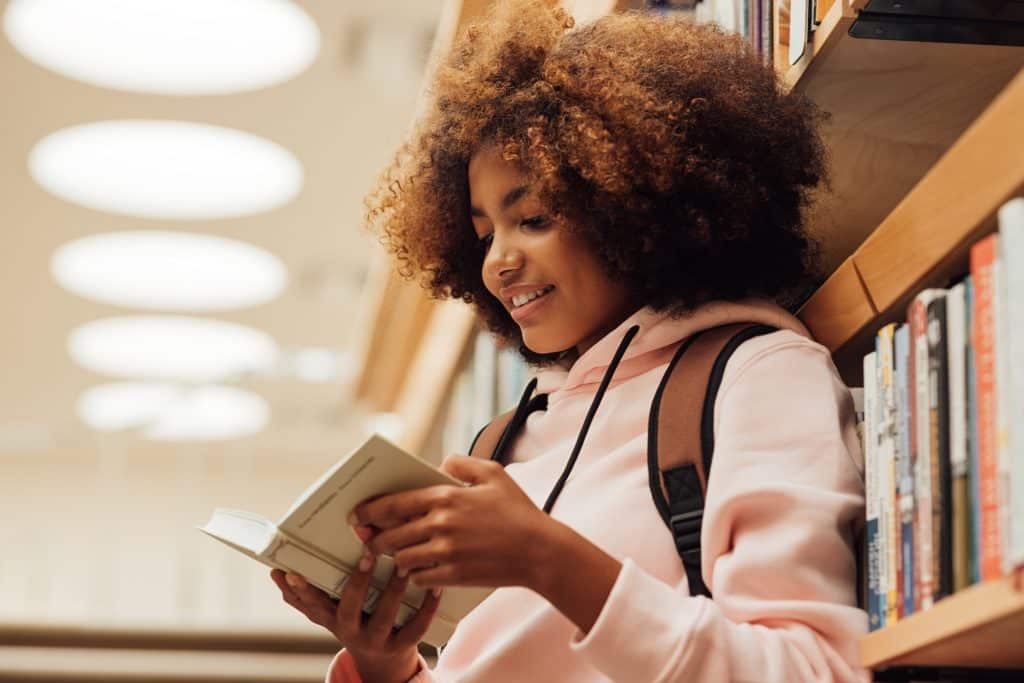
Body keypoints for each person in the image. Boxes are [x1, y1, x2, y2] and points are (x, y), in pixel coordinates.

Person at [270, 1, 869, 681]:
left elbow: (813, 669)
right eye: (484, 233)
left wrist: (546, 556)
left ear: (634, 201)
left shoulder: (759, 374)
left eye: (532, 217)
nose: (498, 261)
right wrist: (388, 662)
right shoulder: (506, 438)